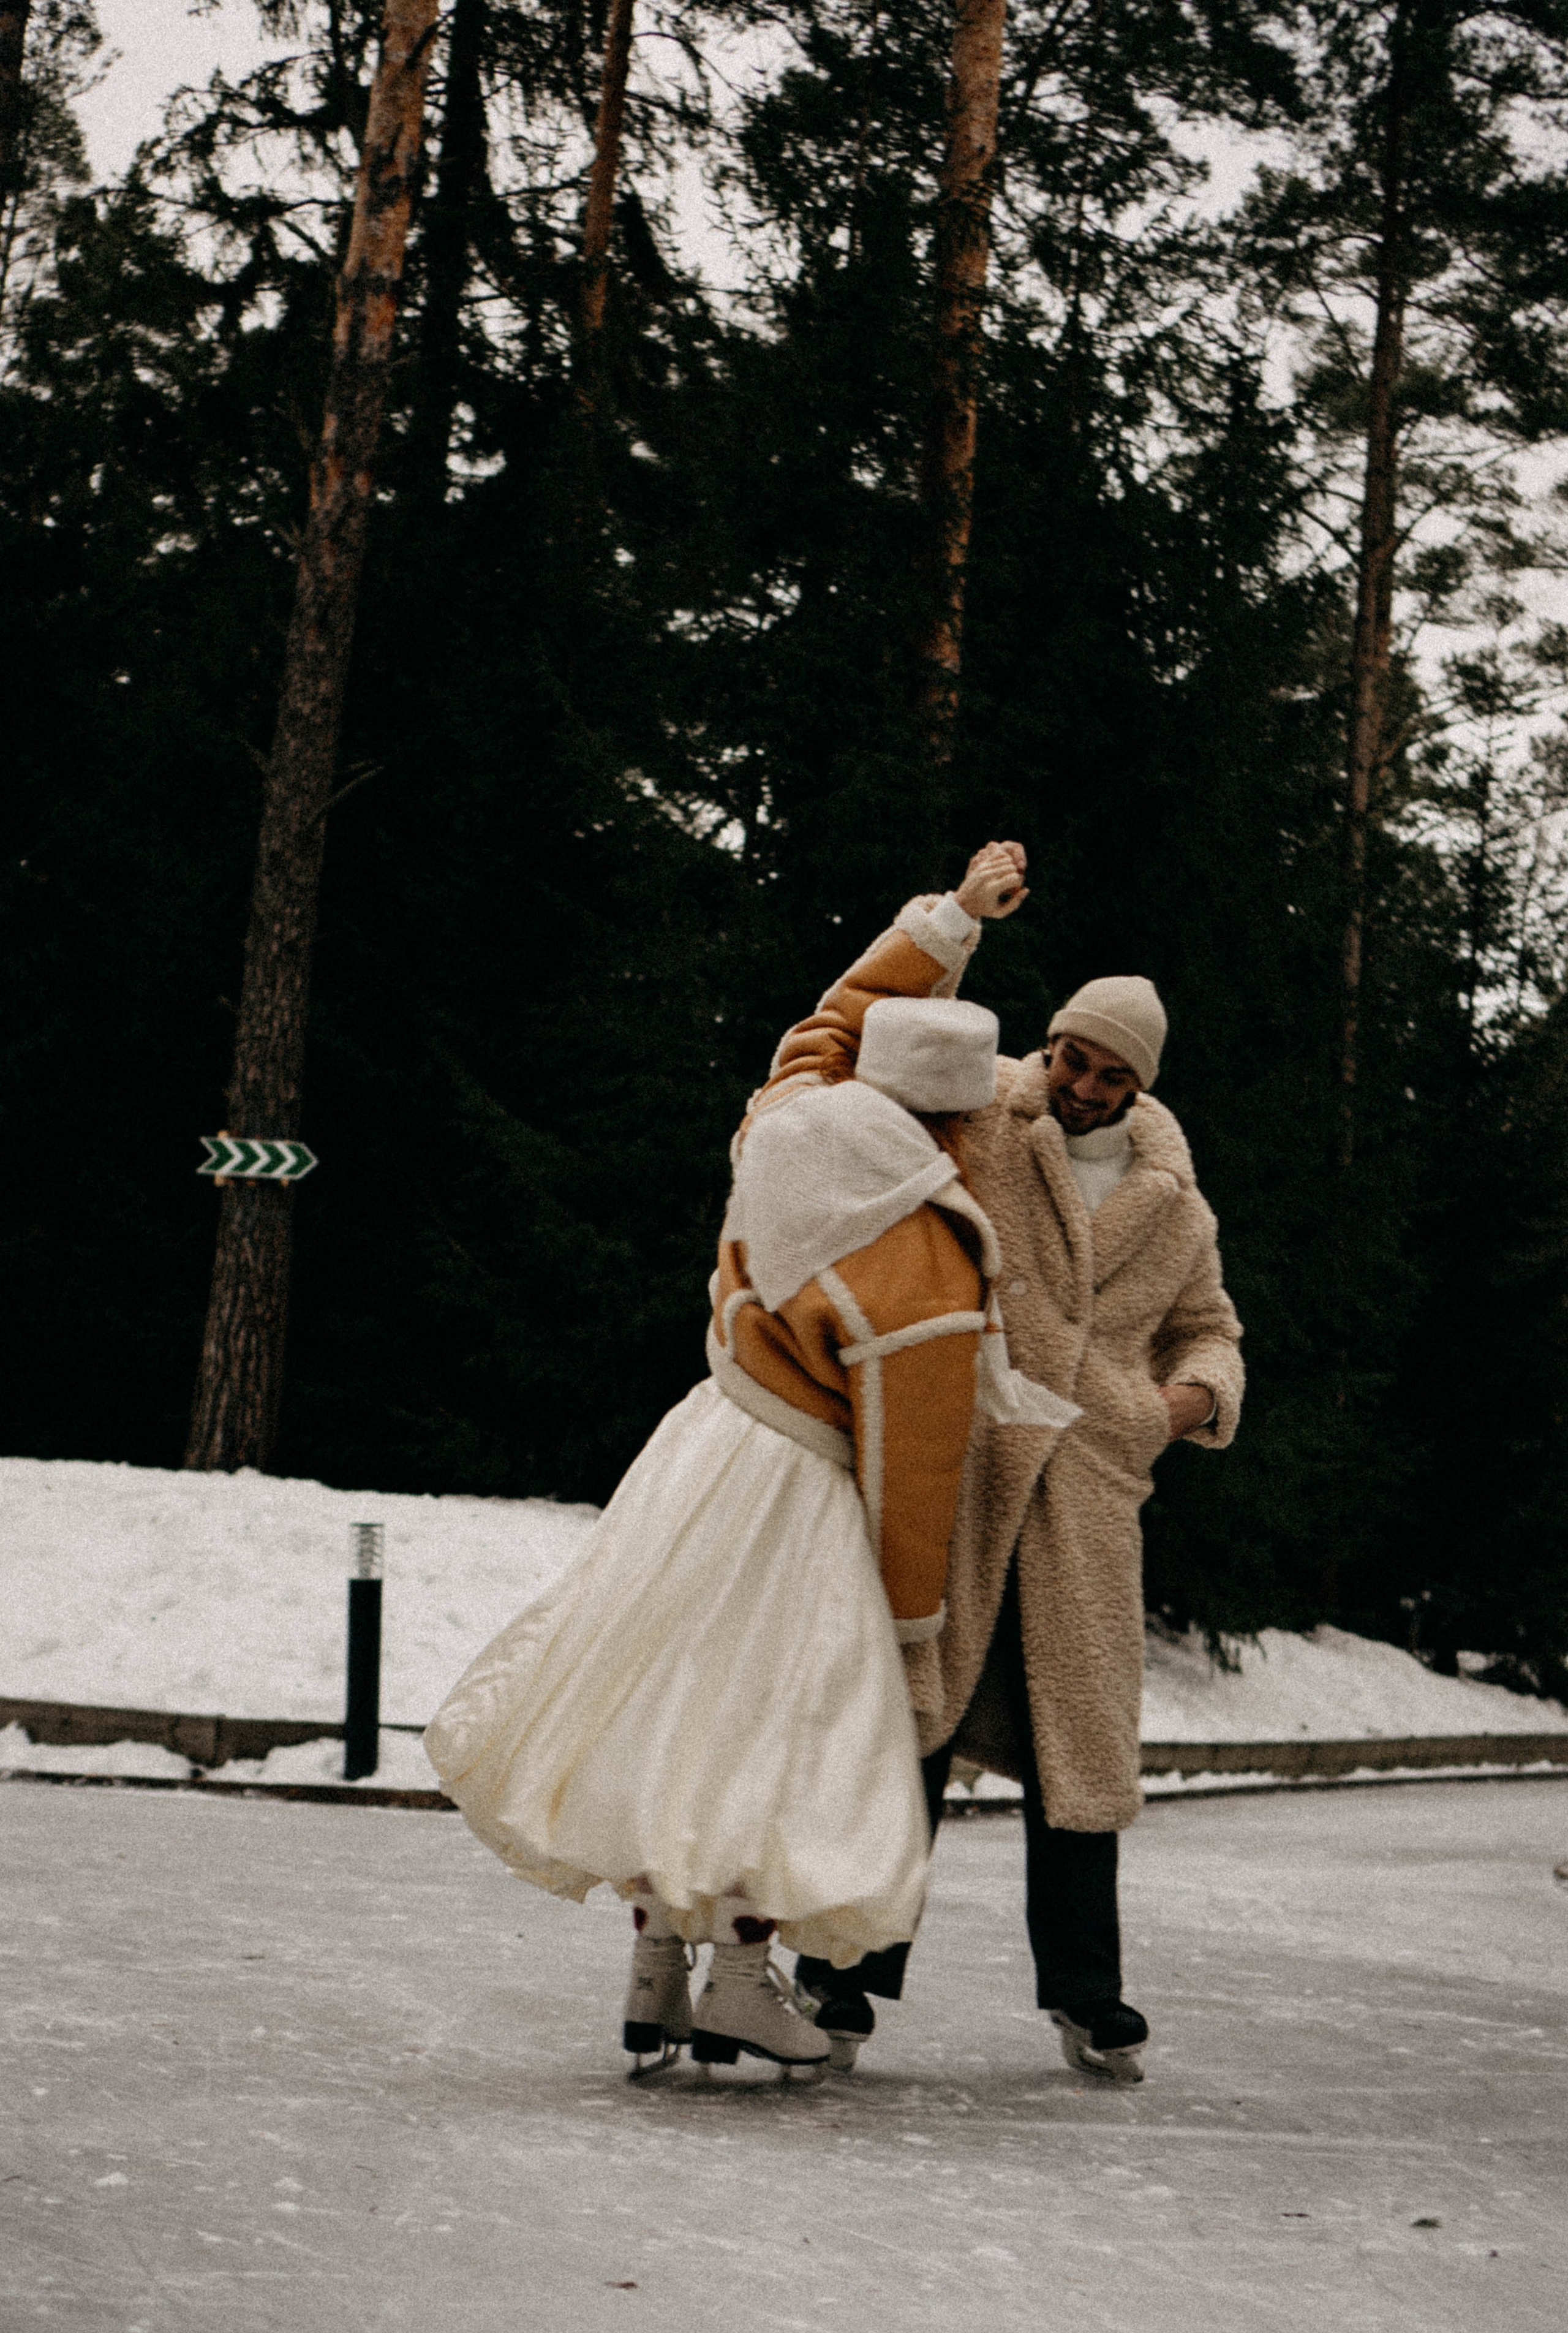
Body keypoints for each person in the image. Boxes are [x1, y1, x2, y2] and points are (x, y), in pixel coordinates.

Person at [424, 986, 1076, 2079]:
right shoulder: (928, 1253)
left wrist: (947, 925)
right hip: (803, 1491)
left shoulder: (789, 1121)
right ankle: (735, 1984)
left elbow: (822, 1027)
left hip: (706, 1451)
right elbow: (913, 1463)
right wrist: (911, 1622)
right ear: (962, 1119)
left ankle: (655, 1974)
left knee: (672, 1709)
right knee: (773, 1736)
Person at [779, 842, 1246, 2084]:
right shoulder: (984, 1109)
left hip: (1088, 1491)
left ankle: (1088, 1999)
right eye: (1072, 1057)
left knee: (1077, 1758)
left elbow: (1209, 1326)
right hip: (966, 1463)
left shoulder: (1178, 1207)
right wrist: (956, 920)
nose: (1081, 1086)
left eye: (1109, 1074)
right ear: (1051, 1043)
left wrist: (1183, 1402)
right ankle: (840, 1976)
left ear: (1140, 1086)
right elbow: (874, 1044)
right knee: (911, 1729)